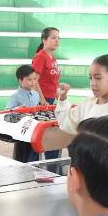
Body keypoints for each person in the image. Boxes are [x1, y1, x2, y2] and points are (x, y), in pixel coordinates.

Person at [32, 27, 62, 159]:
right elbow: (34, 81)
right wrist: (42, 100)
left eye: (58, 38)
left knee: (53, 135)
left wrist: (60, 99)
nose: (57, 41)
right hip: (42, 102)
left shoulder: (53, 58)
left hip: (51, 101)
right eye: (53, 38)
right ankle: (49, 166)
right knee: (47, 136)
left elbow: (54, 82)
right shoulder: (40, 57)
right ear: (44, 40)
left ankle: (53, 166)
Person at [7, 64, 41, 162]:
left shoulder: (36, 94)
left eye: (34, 79)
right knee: (21, 158)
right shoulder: (15, 97)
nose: (33, 82)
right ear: (20, 80)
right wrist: (17, 110)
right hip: (21, 133)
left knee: (34, 156)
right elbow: (7, 113)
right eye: (29, 79)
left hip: (34, 131)